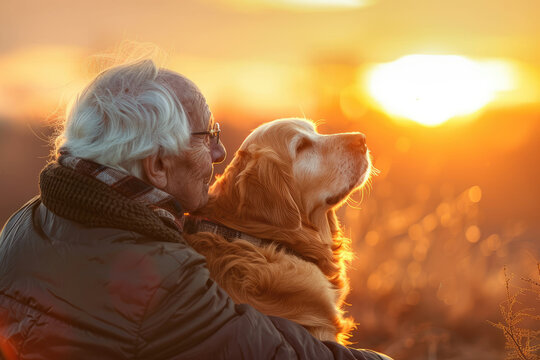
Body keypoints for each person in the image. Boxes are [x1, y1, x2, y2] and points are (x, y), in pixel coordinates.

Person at [0, 59, 392, 360]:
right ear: (157, 165)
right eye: (206, 138)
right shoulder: (160, 277)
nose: (221, 154)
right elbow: (273, 351)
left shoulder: (24, 223)